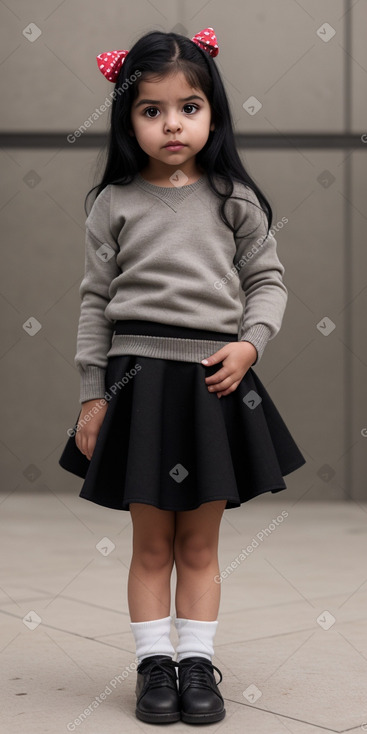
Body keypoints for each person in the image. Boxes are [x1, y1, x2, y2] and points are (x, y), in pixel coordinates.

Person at [59, 26, 306, 725]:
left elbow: (268, 281)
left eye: (189, 106)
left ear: (213, 114)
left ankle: (196, 661)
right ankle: (151, 668)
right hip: (136, 383)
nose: (172, 122)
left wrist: (250, 346)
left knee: (197, 543)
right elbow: (95, 304)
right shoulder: (113, 204)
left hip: (211, 385)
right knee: (150, 544)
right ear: (126, 119)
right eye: (151, 109)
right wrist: (91, 395)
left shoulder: (235, 197)